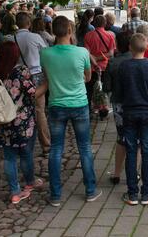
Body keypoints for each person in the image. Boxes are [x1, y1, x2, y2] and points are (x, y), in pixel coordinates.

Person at [39, 16, 101, 206]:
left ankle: (56, 195)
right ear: (69, 31)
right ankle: (90, 190)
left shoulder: (45, 54)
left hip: (56, 104)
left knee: (56, 149)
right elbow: (88, 77)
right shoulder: (82, 52)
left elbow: (47, 77)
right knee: (84, 147)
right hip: (79, 104)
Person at [0, 41, 44, 204]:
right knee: (26, 153)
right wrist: (47, 84)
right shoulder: (21, 72)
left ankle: (15, 191)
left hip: (3, 121)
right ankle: (29, 182)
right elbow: (32, 94)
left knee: (9, 157)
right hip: (22, 122)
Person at [116, 33, 148, 205]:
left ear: (129, 48)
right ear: (147, 47)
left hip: (129, 112)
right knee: (147, 151)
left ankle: (132, 193)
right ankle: (147, 192)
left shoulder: (124, 66)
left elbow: (118, 93)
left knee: (131, 150)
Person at [8, 12, 51, 154]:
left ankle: (22, 142)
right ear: (29, 23)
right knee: (40, 111)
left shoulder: (10, 38)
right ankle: (45, 144)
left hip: (19, 78)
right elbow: (46, 53)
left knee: (20, 109)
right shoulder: (35, 37)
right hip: (36, 75)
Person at [103, 30, 133, 184]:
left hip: (119, 105)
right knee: (137, 140)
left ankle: (116, 173)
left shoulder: (113, 62)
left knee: (122, 138)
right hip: (136, 105)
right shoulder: (139, 60)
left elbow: (107, 87)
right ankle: (133, 173)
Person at [84, 14, 116, 117]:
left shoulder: (88, 36)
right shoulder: (110, 35)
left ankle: (90, 110)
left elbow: (87, 53)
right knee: (104, 89)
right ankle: (105, 107)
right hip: (105, 66)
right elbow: (111, 54)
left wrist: (94, 59)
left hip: (92, 68)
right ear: (105, 23)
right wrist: (99, 58)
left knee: (90, 90)